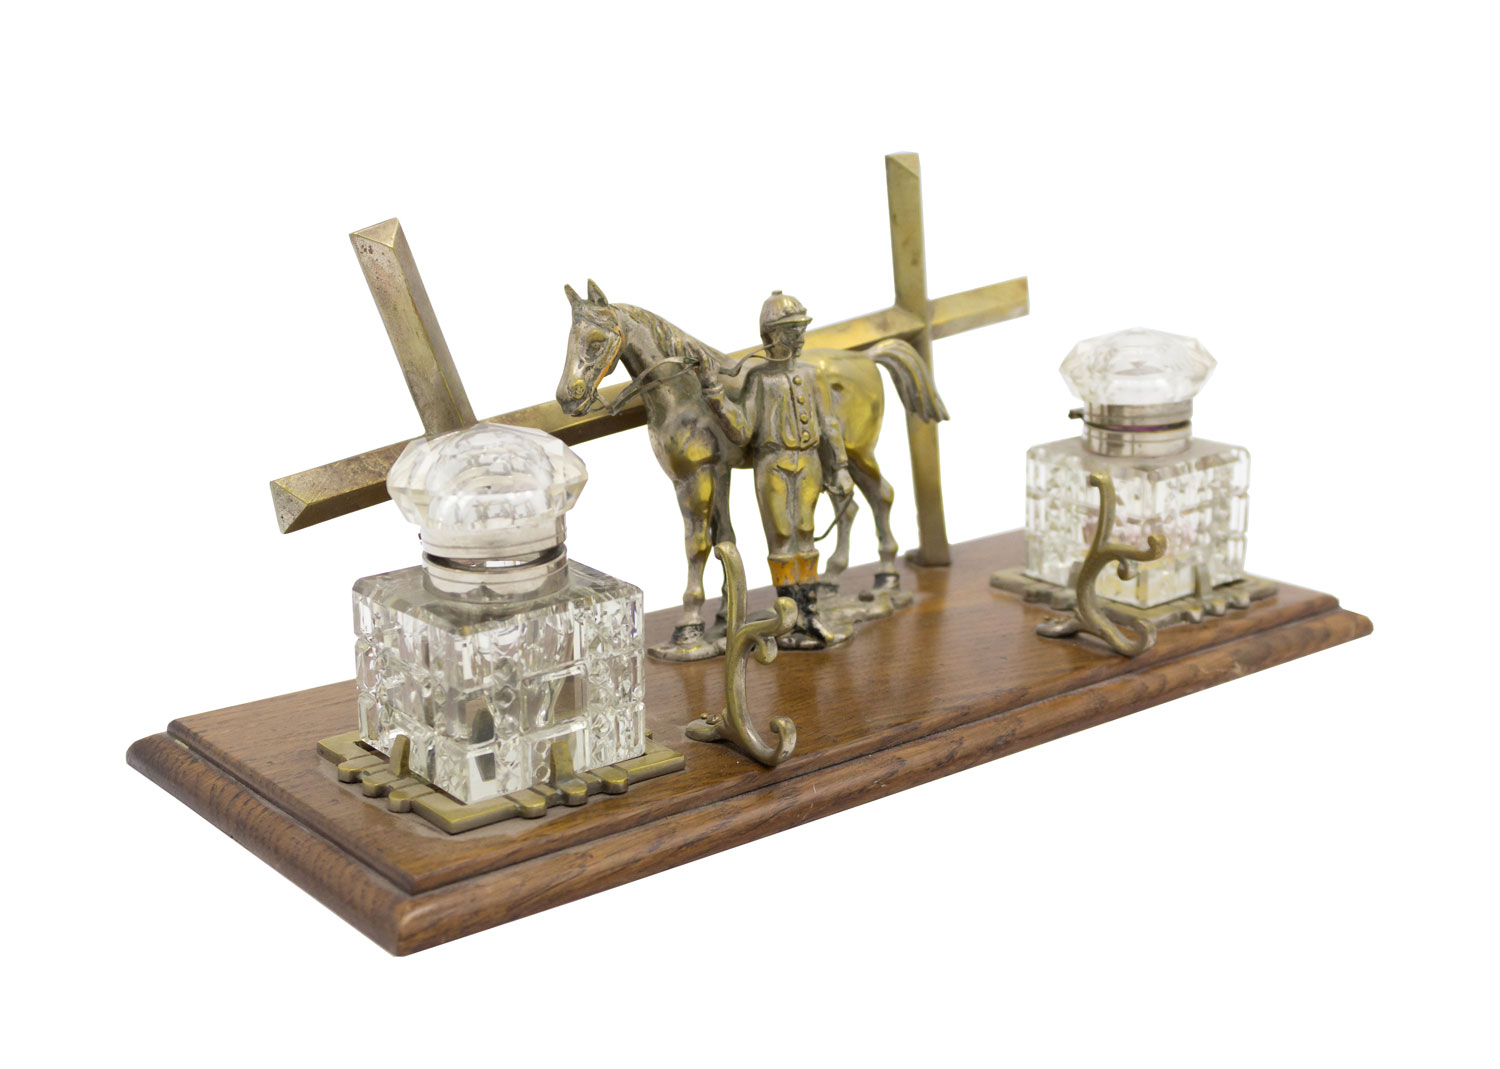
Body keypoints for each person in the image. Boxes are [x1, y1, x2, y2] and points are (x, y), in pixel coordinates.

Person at [695, 291, 853, 648]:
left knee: (806, 530)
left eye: (801, 329)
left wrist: (841, 467)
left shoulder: (812, 374)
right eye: (791, 330)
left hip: (809, 461)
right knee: (781, 535)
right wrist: (715, 395)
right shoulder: (759, 379)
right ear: (770, 335)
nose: (800, 337)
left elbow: (829, 424)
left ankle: (809, 612)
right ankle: (788, 615)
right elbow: (742, 429)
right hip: (772, 464)